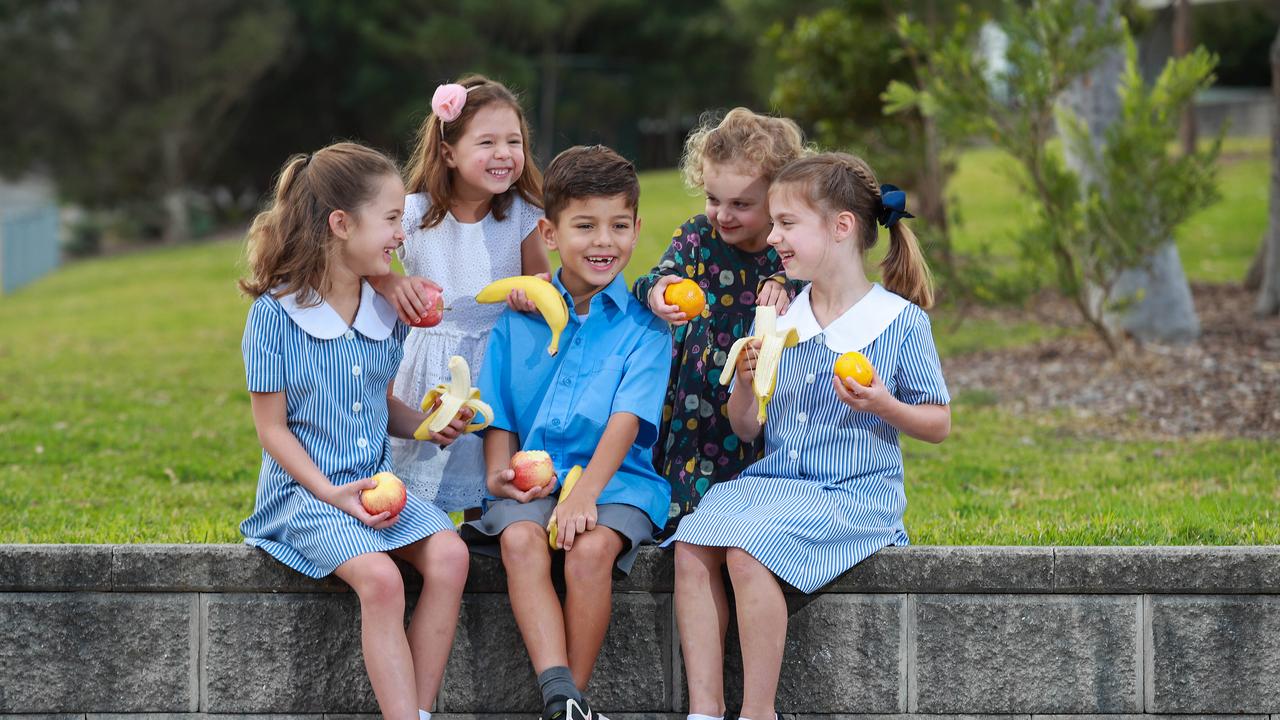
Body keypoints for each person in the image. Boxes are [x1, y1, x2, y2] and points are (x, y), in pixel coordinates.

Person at [668, 152, 951, 720]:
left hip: (854, 493)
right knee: (692, 543)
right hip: (773, 485)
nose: (773, 238)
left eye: (787, 224)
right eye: (773, 223)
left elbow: (938, 424)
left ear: (841, 227)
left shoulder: (897, 322)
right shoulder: (781, 320)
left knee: (747, 554)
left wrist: (883, 403)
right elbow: (748, 427)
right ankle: (703, 710)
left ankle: (758, 712)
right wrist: (744, 386)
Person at [239, 142, 472, 720]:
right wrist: (330, 491)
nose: (402, 234)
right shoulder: (275, 314)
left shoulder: (386, 306)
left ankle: (415, 713)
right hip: (305, 497)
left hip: (374, 485)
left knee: (449, 555)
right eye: (392, 219)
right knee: (382, 580)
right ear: (341, 224)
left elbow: (375, 399)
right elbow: (272, 431)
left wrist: (427, 426)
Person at [462, 145, 673, 720]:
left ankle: (565, 703)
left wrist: (584, 495)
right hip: (532, 477)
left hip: (617, 481)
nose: (603, 242)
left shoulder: (645, 326)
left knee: (591, 550)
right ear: (550, 234)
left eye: (618, 226)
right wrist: (496, 476)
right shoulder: (520, 317)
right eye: (585, 226)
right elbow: (498, 410)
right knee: (519, 541)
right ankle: (562, 695)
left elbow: (628, 420)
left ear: (636, 230)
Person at [371, 74, 550, 514]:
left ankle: (480, 549)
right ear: (449, 151)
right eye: (486, 142)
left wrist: (533, 294)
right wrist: (392, 283)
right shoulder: (412, 213)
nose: (504, 154)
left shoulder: (523, 215)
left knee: (487, 486)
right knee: (422, 482)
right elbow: (364, 265)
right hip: (430, 361)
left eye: (514, 141)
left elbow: (542, 280)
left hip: (497, 361)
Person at [630, 108, 807, 535]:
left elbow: (815, 286)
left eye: (741, 204)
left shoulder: (786, 250)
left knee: (745, 472)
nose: (723, 215)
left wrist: (785, 281)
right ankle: (677, 522)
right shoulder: (696, 237)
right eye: (713, 199)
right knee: (686, 466)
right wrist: (661, 291)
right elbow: (652, 278)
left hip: (751, 392)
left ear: (777, 198)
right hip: (692, 389)